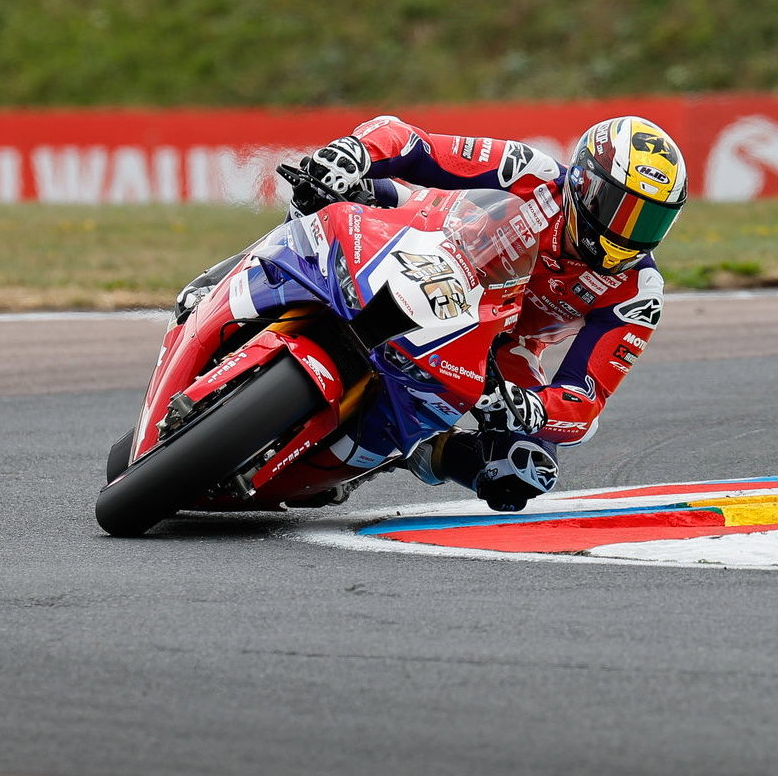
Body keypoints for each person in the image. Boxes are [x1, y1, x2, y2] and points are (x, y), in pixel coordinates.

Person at [180, 115, 687, 511]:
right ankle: (230, 276)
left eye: (651, 220)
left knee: (522, 469)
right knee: (334, 188)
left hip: (499, 343)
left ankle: (414, 451)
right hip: (432, 245)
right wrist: (355, 152)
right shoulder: (526, 170)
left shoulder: (637, 290)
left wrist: (534, 410)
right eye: (623, 208)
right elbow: (412, 142)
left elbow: (585, 400)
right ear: (584, 183)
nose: (629, 232)